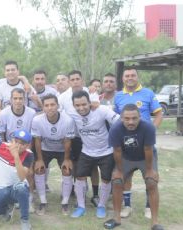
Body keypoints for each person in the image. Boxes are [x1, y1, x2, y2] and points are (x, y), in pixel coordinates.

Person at [104, 104, 163, 230]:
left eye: (134, 118)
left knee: (151, 182)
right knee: (117, 182)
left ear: (140, 117)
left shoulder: (148, 128)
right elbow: (117, 151)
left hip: (145, 157)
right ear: (121, 118)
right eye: (127, 118)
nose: (131, 122)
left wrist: (149, 170)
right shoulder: (115, 129)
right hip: (126, 158)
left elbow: (148, 149)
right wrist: (119, 171)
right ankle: (116, 218)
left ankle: (155, 222)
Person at [114, 68, 163, 219]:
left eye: (133, 75)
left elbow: (159, 113)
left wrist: (151, 130)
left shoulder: (148, 93)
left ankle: (149, 207)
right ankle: (127, 206)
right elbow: (116, 116)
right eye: (127, 76)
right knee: (125, 178)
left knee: (149, 177)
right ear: (122, 78)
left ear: (137, 77)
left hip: (145, 145)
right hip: (126, 145)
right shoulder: (118, 95)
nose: (130, 78)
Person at [68, 90, 120, 219]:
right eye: (77, 105)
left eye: (84, 104)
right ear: (73, 105)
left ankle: (101, 206)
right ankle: (81, 206)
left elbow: (119, 122)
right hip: (87, 151)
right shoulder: (71, 113)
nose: (81, 108)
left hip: (106, 151)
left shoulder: (101, 110)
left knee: (106, 179)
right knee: (79, 177)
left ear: (90, 102)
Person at [58, 70, 100, 207]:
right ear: (69, 82)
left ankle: (95, 194)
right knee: (75, 164)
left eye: (78, 79)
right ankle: (78, 190)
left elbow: (97, 108)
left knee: (93, 166)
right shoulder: (63, 97)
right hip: (73, 136)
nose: (75, 81)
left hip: (90, 134)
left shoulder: (91, 92)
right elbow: (59, 115)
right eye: (72, 79)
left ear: (82, 80)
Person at [31, 94, 75, 216]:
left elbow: (67, 141)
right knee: (39, 169)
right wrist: (39, 159)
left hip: (62, 150)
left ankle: (65, 203)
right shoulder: (37, 120)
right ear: (43, 108)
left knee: (67, 170)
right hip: (45, 149)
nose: (50, 108)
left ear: (58, 106)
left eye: (52, 105)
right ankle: (43, 202)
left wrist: (66, 159)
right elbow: (37, 140)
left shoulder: (68, 120)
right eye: (46, 105)